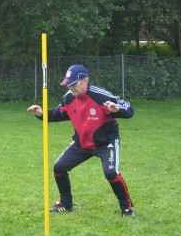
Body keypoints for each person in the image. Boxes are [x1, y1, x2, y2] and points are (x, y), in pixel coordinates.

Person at [27, 64, 135, 216]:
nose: (70, 87)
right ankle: (65, 203)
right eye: (68, 84)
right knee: (59, 168)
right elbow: (59, 113)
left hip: (106, 143)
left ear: (85, 81)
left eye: (74, 83)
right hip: (82, 144)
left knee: (111, 173)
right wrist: (41, 114)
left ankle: (127, 207)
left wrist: (117, 110)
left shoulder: (101, 95)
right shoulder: (68, 98)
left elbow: (129, 109)